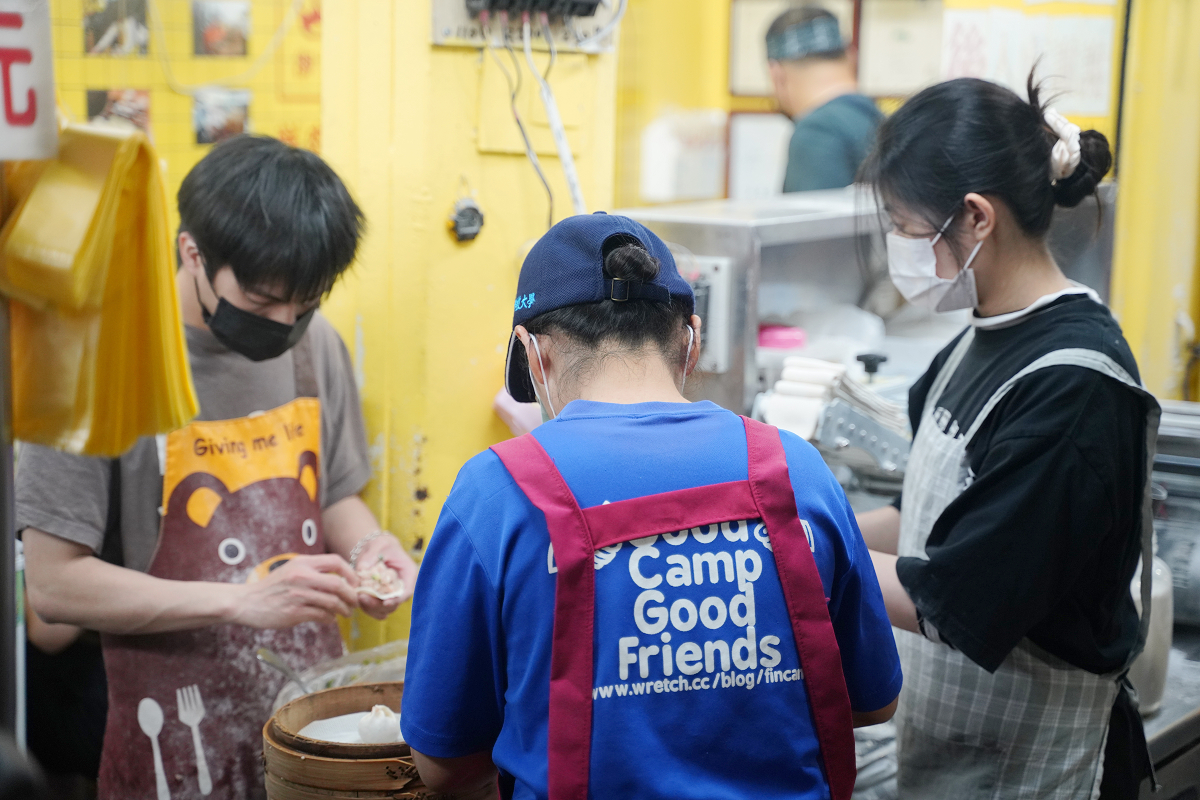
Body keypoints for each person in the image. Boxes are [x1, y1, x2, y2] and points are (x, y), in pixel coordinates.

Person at [400, 212, 903, 799]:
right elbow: (872, 702)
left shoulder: (496, 493)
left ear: (531, 352)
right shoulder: (796, 471)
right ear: (690, 339)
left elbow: (445, 764)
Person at [19, 135, 418, 800]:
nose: (285, 324)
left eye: (306, 303)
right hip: (169, 733)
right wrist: (244, 601)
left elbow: (336, 496)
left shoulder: (314, 345)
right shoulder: (96, 363)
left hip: (310, 721)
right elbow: (54, 591)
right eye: (263, 304)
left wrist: (374, 548)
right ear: (192, 253)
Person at [855, 75, 1159, 798]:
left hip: (1032, 771)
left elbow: (957, 595)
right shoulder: (979, 339)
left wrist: (793, 553)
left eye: (902, 224)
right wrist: (800, 517)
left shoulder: (1075, 386)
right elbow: (924, 518)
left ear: (975, 217)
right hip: (954, 753)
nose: (898, 245)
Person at [766, 6, 881, 193]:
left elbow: (807, 222)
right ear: (852, 57)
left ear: (776, 74)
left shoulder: (816, 132)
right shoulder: (881, 121)